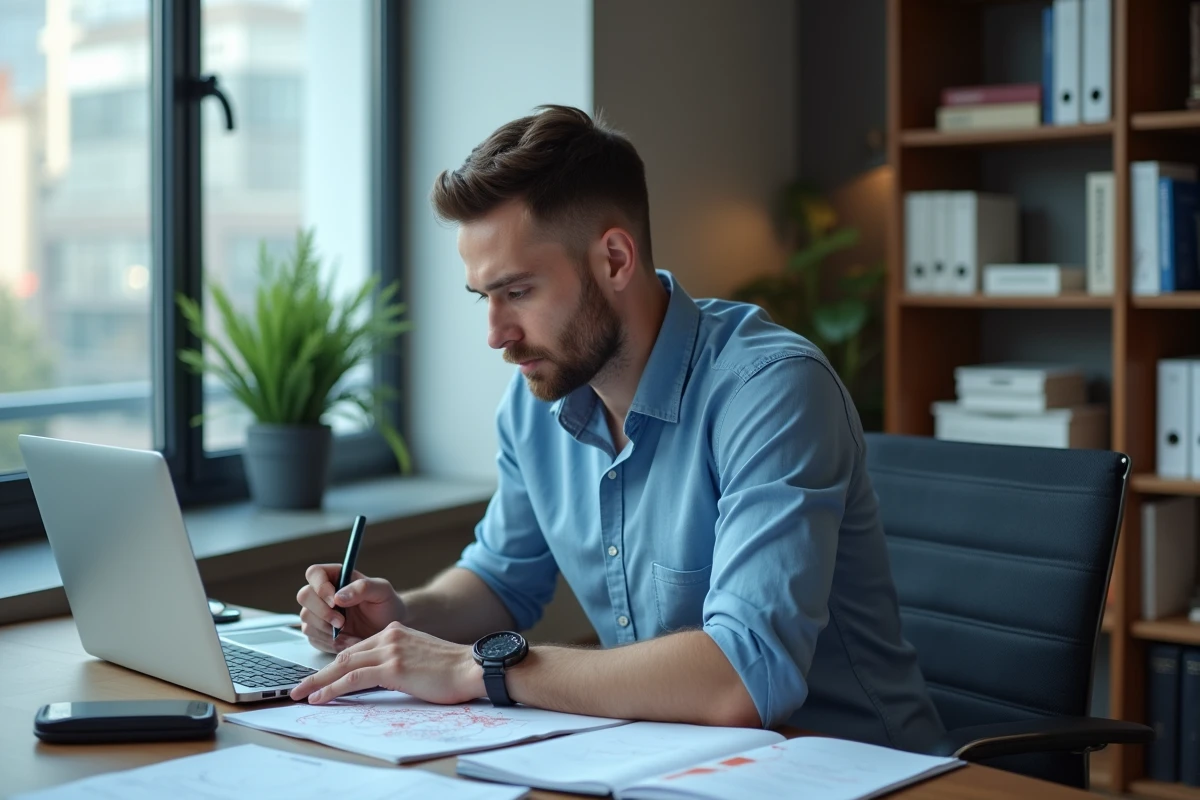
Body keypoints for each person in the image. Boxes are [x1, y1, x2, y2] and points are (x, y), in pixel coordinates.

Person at [291, 105, 944, 751]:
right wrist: (400, 617)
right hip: (670, 762)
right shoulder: (535, 403)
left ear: (613, 259)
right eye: (482, 297)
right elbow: (501, 579)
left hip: (856, 770)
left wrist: (475, 668)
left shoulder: (771, 390)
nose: (496, 335)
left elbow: (744, 677)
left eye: (517, 292)